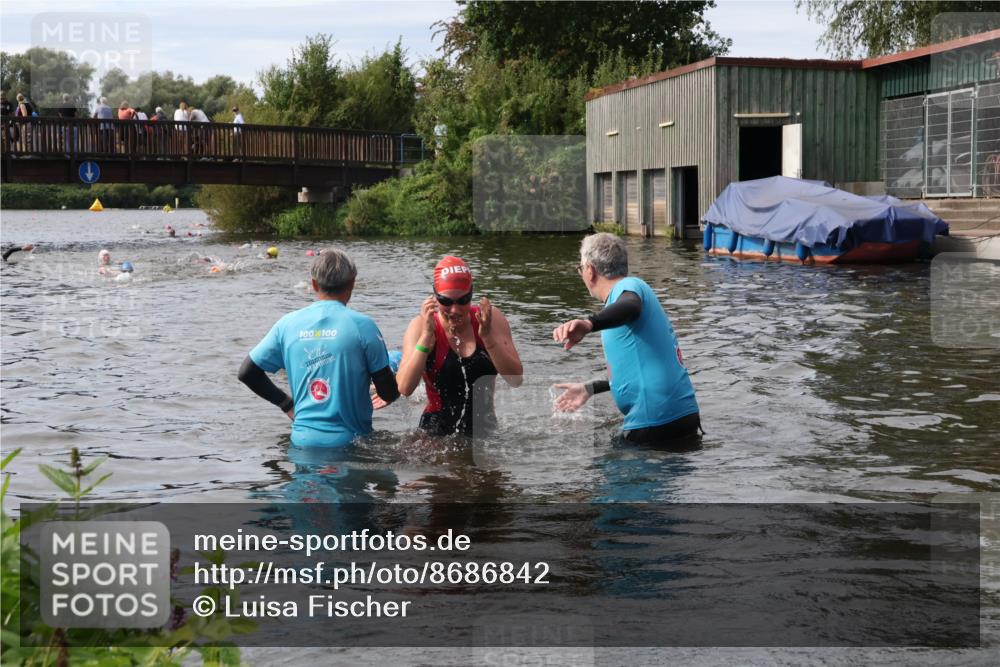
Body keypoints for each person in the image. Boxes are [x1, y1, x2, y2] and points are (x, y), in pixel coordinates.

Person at [238, 248, 399, 447]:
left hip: (302, 443)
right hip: (350, 444)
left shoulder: (287, 324)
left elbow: (247, 373)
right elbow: (389, 393)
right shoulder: (363, 326)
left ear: (314, 284)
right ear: (352, 283)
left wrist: (286, 403)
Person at [552, 233, 701, 447]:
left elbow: (631, 305)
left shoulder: (629, 288)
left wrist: (589, 323)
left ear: (590, 271)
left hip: (654, 422)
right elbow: (635, 371)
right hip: (680, 416)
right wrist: (590, 388)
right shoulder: (627, 297)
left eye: (580, 269)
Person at [393, 256, 523, 436]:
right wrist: (424, 339)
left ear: (472, 294)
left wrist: (488, 339)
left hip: (483, 430)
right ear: (435, 297)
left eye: (463, 300)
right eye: (446, 302)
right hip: (436, 436)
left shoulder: (490, 320)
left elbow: (515, 380)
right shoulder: (421, 325)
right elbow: (405, 388)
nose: (455, 310)